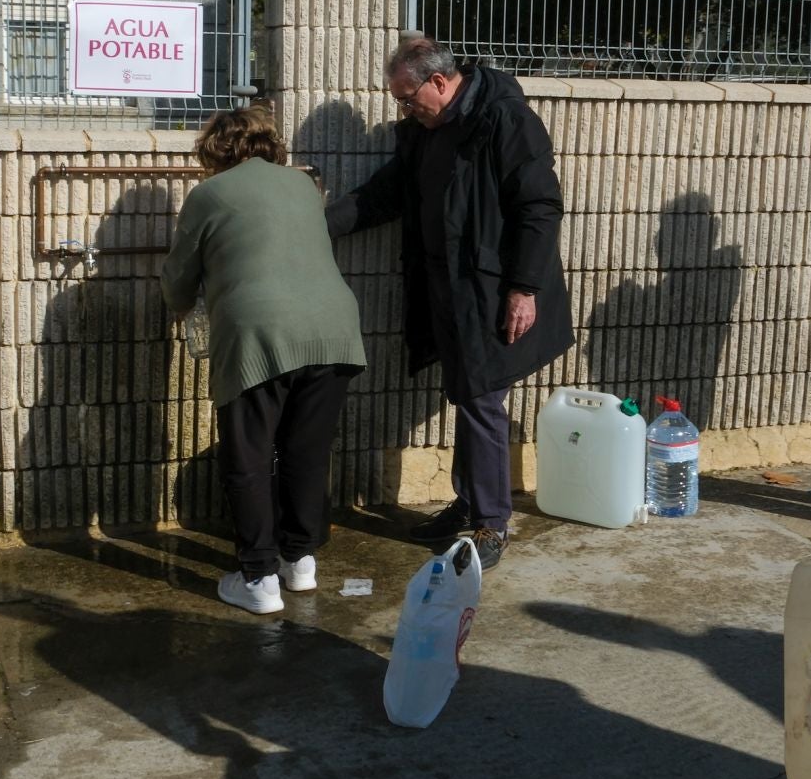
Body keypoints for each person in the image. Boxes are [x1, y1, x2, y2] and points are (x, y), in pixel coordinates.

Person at [325, 37, 573, 571]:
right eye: (399, 102)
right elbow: (385, 194)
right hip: (446, 289)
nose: (405, 110)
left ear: (440, 81)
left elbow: (539, 206)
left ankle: (491, 523)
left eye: (409, 98)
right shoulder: (425, 131)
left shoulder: (504, 120)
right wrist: (317, 226)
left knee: (481, 397)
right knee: (468, 392)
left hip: (492, 288)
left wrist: (523, 288)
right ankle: (470, 502)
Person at [161, 104, 367, 614]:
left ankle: (258, 578)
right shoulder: (302, 186)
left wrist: (184, 302)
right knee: (305, 451)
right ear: (270, 145)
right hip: (333, 330)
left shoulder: (207, 195)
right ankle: (299, 563)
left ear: (215, 150)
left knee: (250, 457)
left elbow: (177, 284)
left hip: (260, 333)